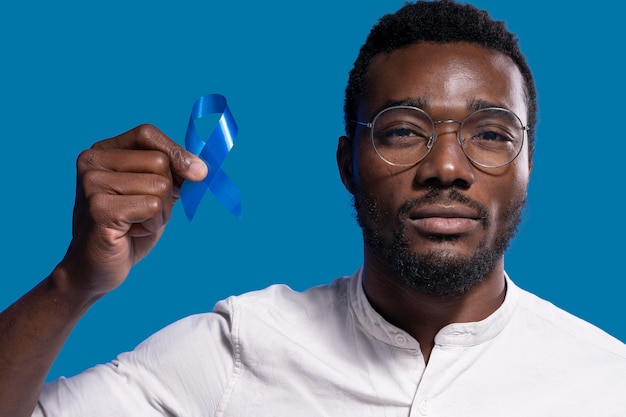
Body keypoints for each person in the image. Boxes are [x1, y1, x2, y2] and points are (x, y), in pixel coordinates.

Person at [1, 0, 625, 415]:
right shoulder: (240, 347)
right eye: (403, 131)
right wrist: (71, 283)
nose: (447, 167)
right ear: (347, 164)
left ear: (528, 168)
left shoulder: (608, 384)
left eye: (490, 135)